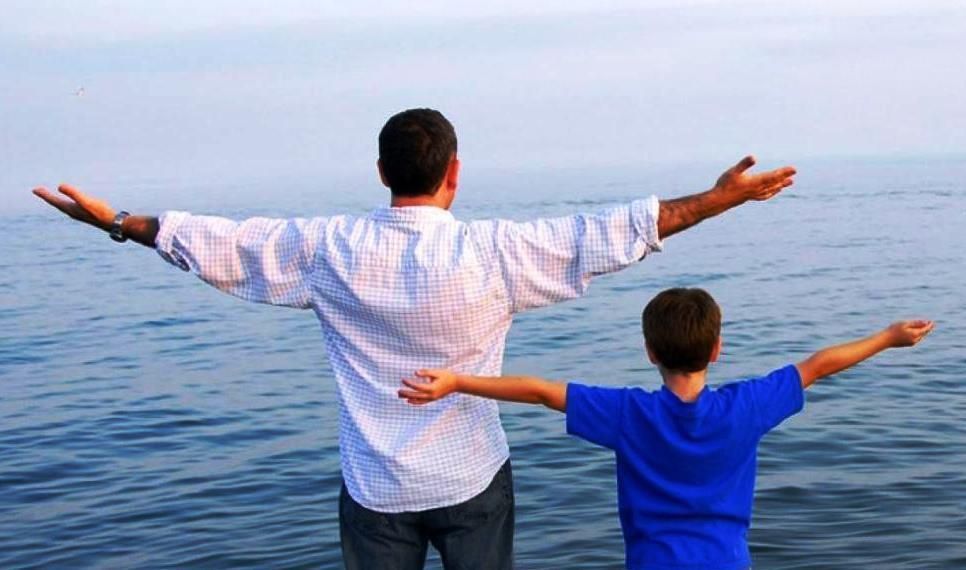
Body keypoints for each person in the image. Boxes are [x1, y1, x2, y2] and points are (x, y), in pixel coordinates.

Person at [33, 109, 796, 570]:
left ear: (381, 171)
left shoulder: (327, 250)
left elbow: (221, 244)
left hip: (375, 489)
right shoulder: (495, 255)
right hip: (471, 480)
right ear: (454, 173)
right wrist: (721, 199)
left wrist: (117, 222)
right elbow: (613, 233)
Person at [398, 287, 934, 570]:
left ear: (650, 351)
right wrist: (888, 338)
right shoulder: (746, 408)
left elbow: (540, 391)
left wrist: (457, 382)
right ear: (717, 349)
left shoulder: (628, 415)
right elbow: (817, 366)